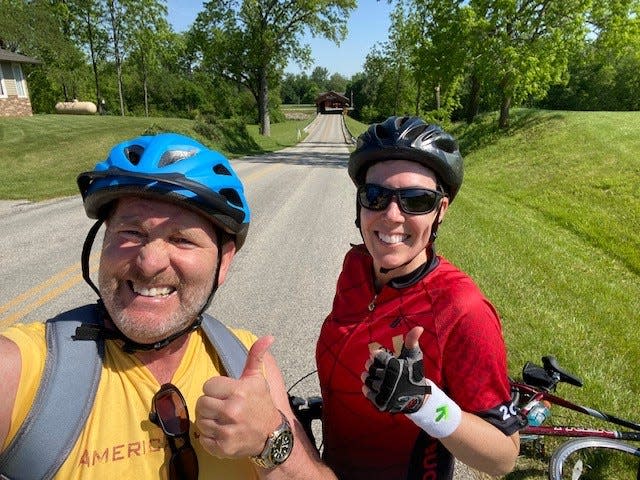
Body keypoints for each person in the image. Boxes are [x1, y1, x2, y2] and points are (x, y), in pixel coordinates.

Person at [0, 133, 336, 480]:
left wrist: (271, 441)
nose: (149, 262)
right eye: (131, 233)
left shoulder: (246, 363)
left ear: (224, 262)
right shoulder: (25, 370)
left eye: (181, 239)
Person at [316, 116, 521, 480]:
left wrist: (423, 402)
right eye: (375, 196)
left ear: (440, 211)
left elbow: (503, 457)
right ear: (360, 202)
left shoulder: (462, 309)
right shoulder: (356, 266)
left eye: (415, 200)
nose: (391, 216)